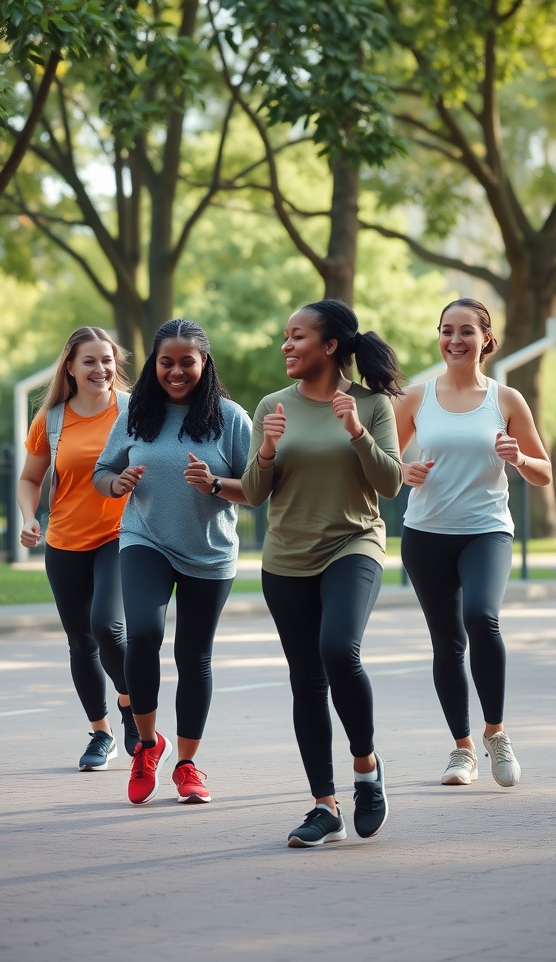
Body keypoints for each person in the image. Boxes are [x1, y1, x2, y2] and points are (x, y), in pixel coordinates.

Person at [241, 299, 403, 848]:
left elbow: (390, 484)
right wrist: (265, 448)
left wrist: (357, 430)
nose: (286, 346)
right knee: (305, 679)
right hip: (286, 557)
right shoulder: (271, 406)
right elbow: (256, 495)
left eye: (298, 336)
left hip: (353, 543)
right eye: (285, 337)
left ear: (330, 346)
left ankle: (366, 767)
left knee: (339, 649)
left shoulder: (371, 404)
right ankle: (324, 805)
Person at [93, 318, 252, 807]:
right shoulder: (137, 414)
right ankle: (146, 744)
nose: (177, 371)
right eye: (167, 362)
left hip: (209, 551)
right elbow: (103, 470)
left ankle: (186, 763)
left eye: (188, 362)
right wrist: (115, 484)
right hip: (146, 539)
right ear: (153, 365)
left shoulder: (230, 418)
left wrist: (215, 484)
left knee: (193, 656)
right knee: (142, 632)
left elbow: (257, 491)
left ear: (204, 364)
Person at [394, 298, 552, 788]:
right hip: (426, 535)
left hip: (486, 530)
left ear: (486, 338)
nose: (455, 340)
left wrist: (518, 459)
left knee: (481, 616)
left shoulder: (506, 400)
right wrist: (405, 471)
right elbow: (380, 467)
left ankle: (496, 733)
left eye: (466, 331)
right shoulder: (416, 398)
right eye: (446, 331)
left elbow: (545, 471)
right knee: (448, 642)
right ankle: (462, 749)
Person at [17, 326, 138, 771]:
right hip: (64, 540)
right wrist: (29, 518)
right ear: (70, 366)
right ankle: (101, 731)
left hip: (120, 535)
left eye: (106, 360)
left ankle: (130, 705)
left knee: (107, 627)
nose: (100, 369)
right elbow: (30, 480)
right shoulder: (51, 420)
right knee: (80, 642)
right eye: (89, 361)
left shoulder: (132, 411)